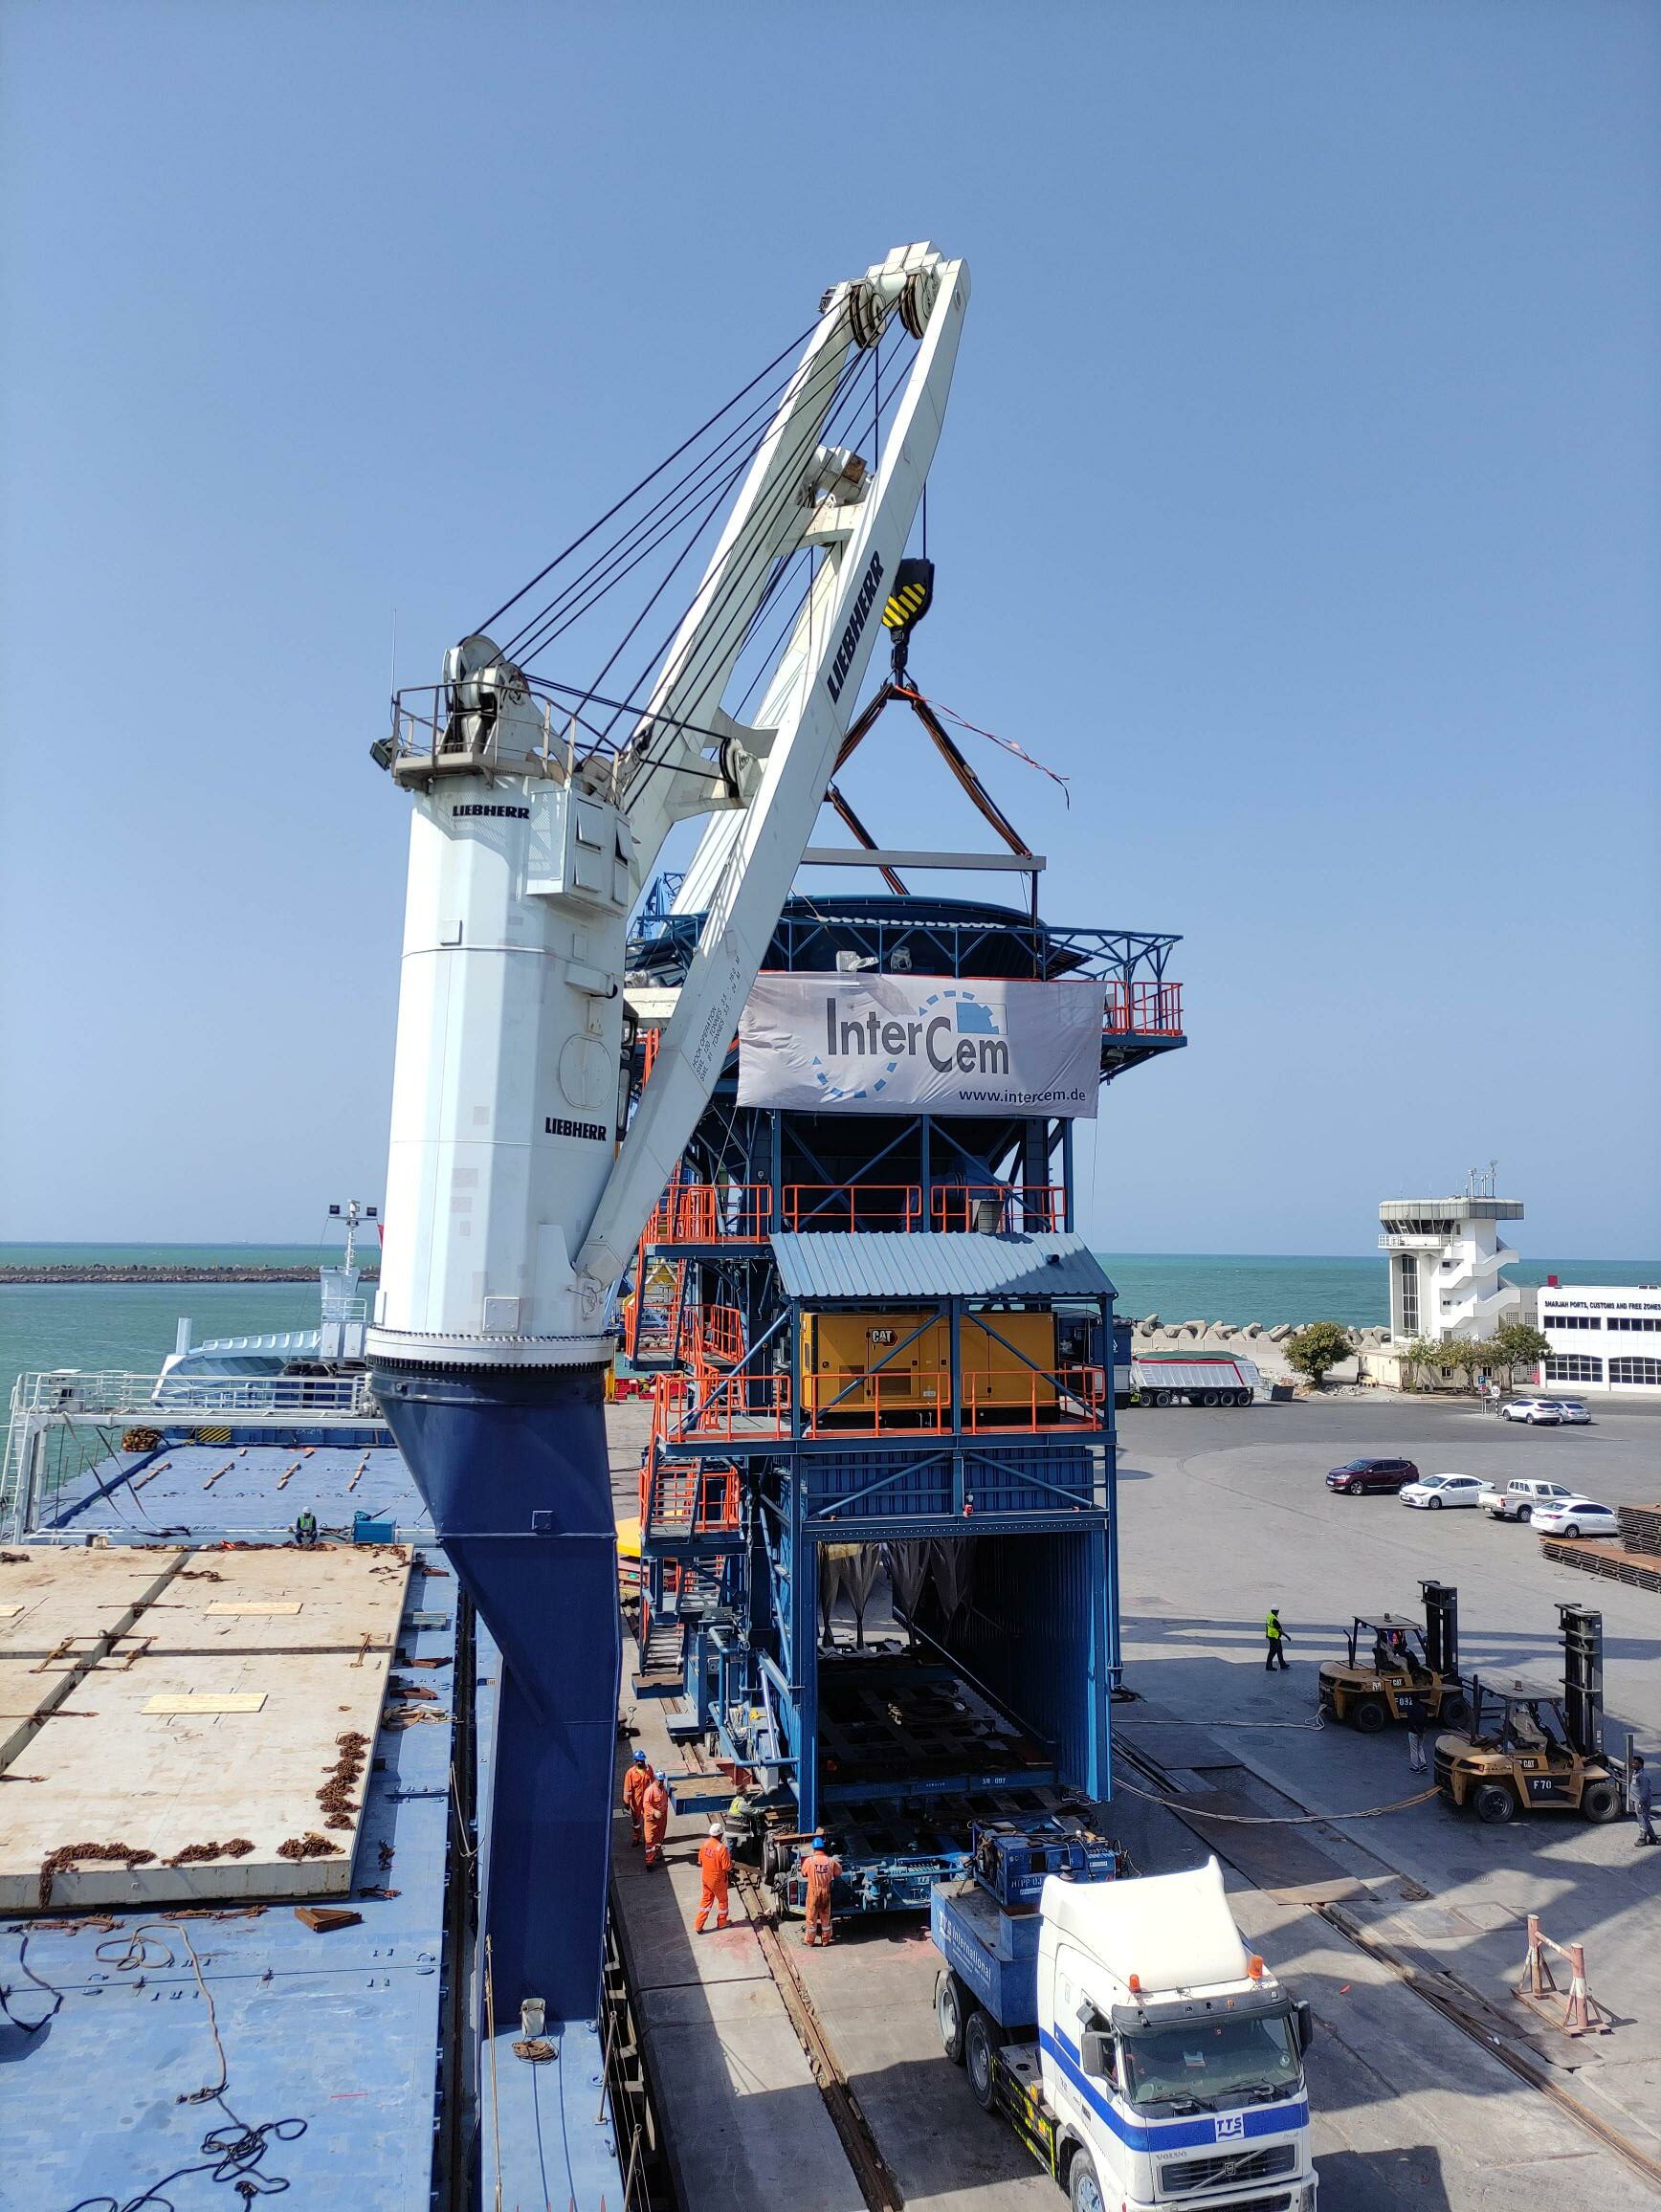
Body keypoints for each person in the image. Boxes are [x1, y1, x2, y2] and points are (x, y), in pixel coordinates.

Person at [799, 1832, 841, 1948]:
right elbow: (838, 1872)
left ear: (814, 1849)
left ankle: (810, 1941)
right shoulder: (831, 1861)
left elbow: (803, 1873)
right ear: (823, 1847)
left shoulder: (810, 1861)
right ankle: (826, 1940)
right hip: (825, 1890)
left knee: (811, 1917)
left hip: (813, 1891)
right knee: (825, 1916)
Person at [695, 1818, 732, 1932]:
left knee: (706, 1901)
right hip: (718, 1880)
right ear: (720, 1835)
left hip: (706, 1878)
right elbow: (727, 1867)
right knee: (723, 1901)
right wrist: (731, 1863)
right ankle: (722, 1922)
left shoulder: (705, 1844)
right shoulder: (721, 1849)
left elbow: (700, 1860)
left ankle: (698, 1925)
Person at [642, 1769, 671, 1869]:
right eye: (660, 1780)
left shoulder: (663, 1789)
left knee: (659, 1838)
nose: (661, 1782)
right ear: (655, 1779)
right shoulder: (650, 1790)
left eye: (663, 1780)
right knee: (650, 1840)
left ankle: (657, 1854)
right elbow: (646, 1804)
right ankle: (649, 1862)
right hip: (652, 1820)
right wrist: (654, 1812)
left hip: (661, 1819)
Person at [622, 1750, 650, 1847]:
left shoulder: (649, 1769)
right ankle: (636, 1836)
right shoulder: (630, 1773)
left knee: (648, 1818)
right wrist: (626, 1802)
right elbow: (627, 1789)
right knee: (636, 1820)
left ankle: (648, 1838)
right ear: (635, 1761)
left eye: (641, 1760)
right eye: (638, 1760)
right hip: (636, 1800)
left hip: (647, 1800)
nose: (640, 1762)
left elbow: (654, 1783)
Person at [1631, 1753, 1656, 1847]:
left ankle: (1642, 1839)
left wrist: (1640, 1804)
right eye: (1633, 1763)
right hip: (1636, 1800)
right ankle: (1653, 1838)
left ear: (1640, 1765)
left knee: (1642, 1820)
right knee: (1644, 1819)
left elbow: (1644, 1792)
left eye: (1635, 1764)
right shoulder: (1636, 1772)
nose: (1633, 1765)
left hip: (1641, 1801)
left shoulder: (1643, 1776)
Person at [1265, 1608, 1289, 1672]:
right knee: (1272, 1652)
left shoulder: (1269, 1616)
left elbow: (1267, 1625)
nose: (1278, 1613)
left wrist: (1266, 1634)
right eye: (1277, 1611)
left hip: (1272, 1636)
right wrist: (1287, 1636)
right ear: (1275, 1611)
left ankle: (1282, 1664)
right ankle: (1268, 1666)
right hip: (1274, 1638)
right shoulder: (1274, 1619)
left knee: (1279, 1650)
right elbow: (1279, 1630)